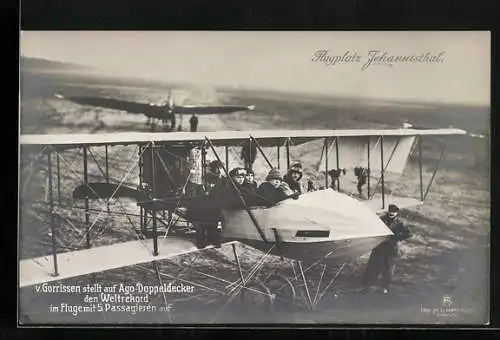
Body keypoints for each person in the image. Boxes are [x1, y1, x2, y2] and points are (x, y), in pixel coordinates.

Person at [360, 204, 412, 294]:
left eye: (394, 212)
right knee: (373, 266)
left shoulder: (400, 222)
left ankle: (384, 287)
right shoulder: (382, 219)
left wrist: (396, 238)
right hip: (379, 246)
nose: (391, 213)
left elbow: (408, 234)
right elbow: (373, 228)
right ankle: (367, 286)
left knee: (388, 268)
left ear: (397, 213)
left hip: (390, 248)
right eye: (390, 211)